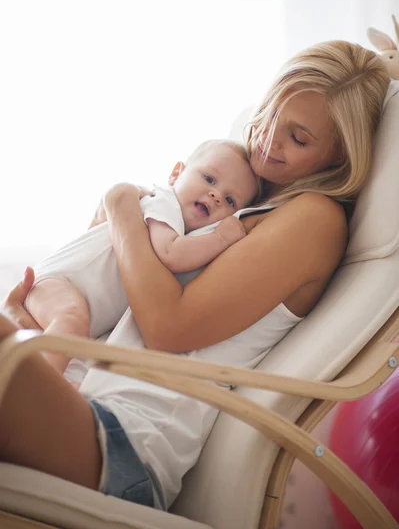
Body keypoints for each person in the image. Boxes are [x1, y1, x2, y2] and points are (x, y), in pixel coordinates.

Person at [0, 41, 390, 511]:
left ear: (338, 159)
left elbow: (167, 326)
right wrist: (38, 321)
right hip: (81, 398)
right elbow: (121, 286)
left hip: (122, 441)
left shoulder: (314, 219)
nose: (267, 138)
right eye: (268, 114)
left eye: (299, 137)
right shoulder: (239, 193)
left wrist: (121, 204)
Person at [23, 139, 260, 374]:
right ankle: (40, 388)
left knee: (75, 343)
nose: (216, 195)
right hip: (59, 282)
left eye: (230, 200)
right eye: (209, 179)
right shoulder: (164, 204)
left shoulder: (181, 228)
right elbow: (172, 253)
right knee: (71, 321)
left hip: (75, 298)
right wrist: (221, 238)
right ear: (176, 174)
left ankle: (42, 382)